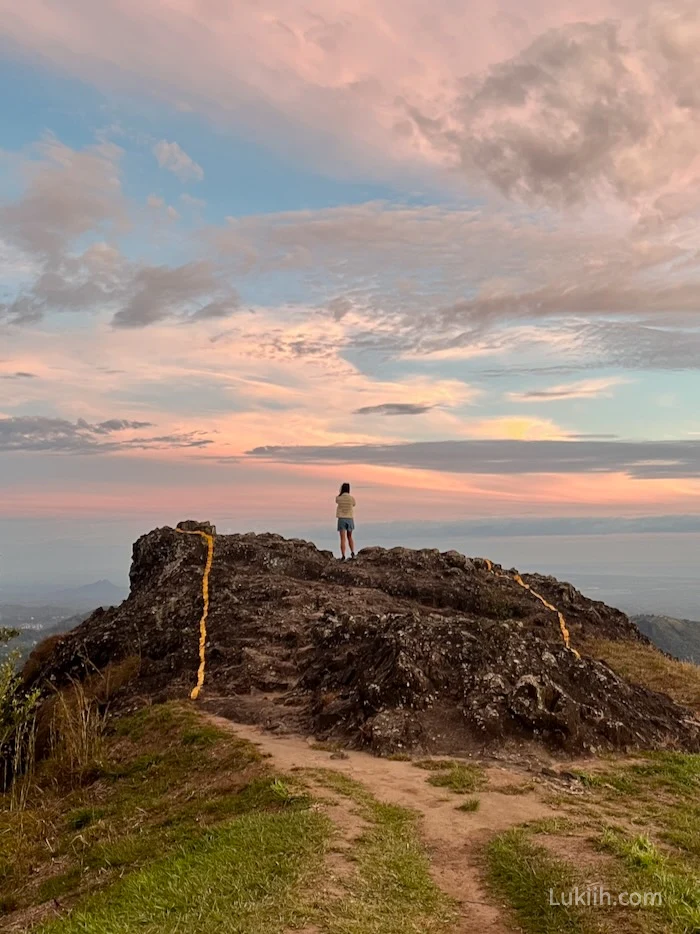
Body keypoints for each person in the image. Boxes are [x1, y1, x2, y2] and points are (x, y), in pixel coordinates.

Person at [335, 482, 356, 560]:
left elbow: (336, 501)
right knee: (350, 537)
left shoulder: (339, 498)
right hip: (349, 518)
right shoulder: (351, 498)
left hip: (341, 519)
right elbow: (354, 504)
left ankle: (343, 555)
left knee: (342, 538)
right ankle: (352, 552)